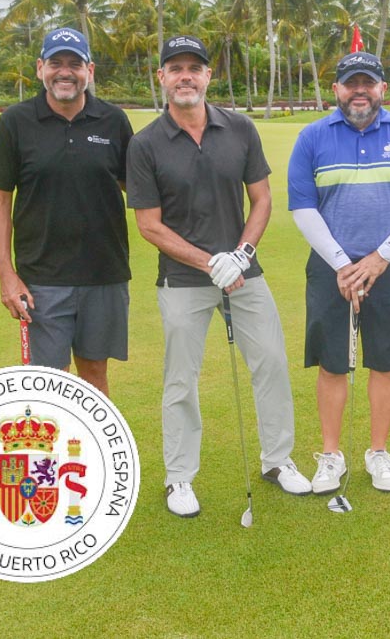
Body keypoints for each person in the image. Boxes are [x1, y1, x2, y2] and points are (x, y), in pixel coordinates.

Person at [127, 35, 312, 518]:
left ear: (209, 76)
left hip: (245, 274)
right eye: (176, 68)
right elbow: (149, 225)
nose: (185, 76)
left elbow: (262, 199)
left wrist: (242, 254)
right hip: (183, 280)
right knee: (181, 379)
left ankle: (278, 460)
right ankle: (179, 477)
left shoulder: (240, 128)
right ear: (162, 78)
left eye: (195, 68)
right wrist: (211, 262)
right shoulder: (145, 144)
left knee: (271, 362)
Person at [288, 51, 390, 494]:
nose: (360, 91)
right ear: (336, 89)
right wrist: (342, 263)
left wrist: (381, 256)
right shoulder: (312, 137)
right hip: (329, 265)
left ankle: (378, 452)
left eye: (368, 83)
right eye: (351, 83)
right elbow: (303, 206)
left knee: (385, 359)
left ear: (382, 89)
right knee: (331, 361)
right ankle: (331, 455)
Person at [0, 27, 132, 396]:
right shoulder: (15, 122)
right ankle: (53, 441)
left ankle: (92, 439)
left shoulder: (113, 121)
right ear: (40, 68)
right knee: (48, 385)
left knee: (95, 377)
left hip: (104, 273)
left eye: (74, 64)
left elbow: (138, 189)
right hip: (41, 279)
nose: (65, 72)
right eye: (56, 63)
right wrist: (6, 275)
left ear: (89, 71)